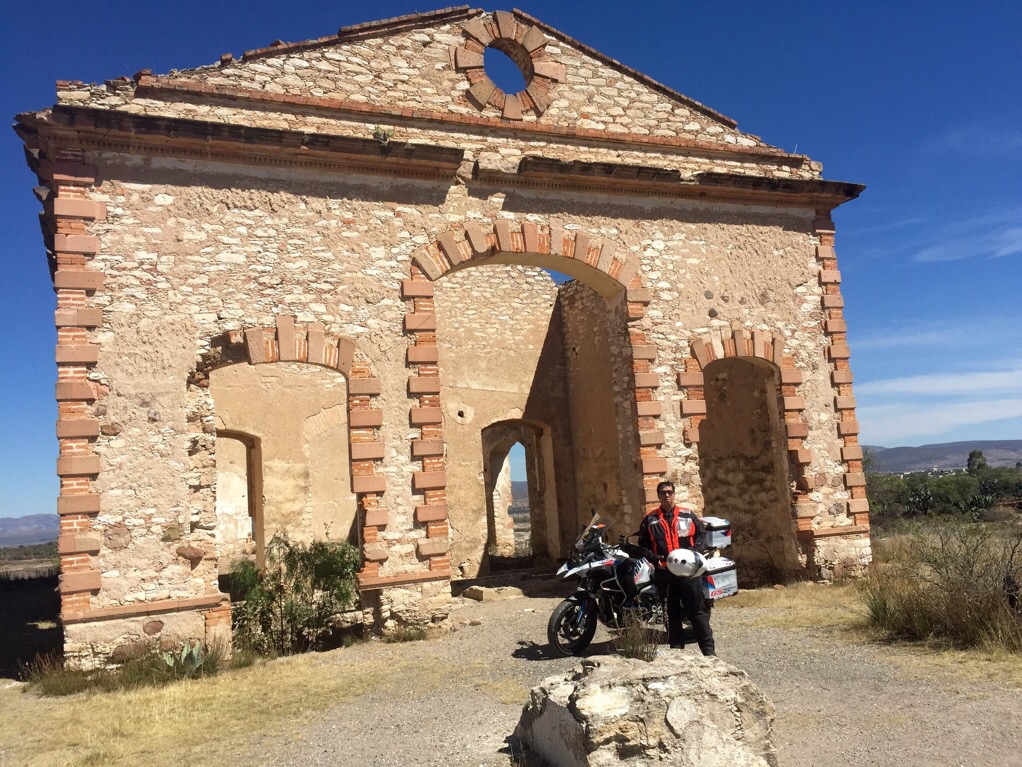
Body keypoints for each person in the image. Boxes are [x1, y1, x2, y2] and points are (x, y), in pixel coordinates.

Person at [637, 480, 715, 656]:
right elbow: (643, 545)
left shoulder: (687, 515)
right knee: (671, 615)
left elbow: (702, 535)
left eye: (670, 492)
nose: (667, 495)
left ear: (674, 494)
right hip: (665, 574)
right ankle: (677, 654)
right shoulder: (650, 520)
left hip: (688, 573)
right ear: (658, 496)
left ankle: (710, 654)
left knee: (698, 613)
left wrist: (695, 552)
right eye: (663, 492)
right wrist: (654, 558)